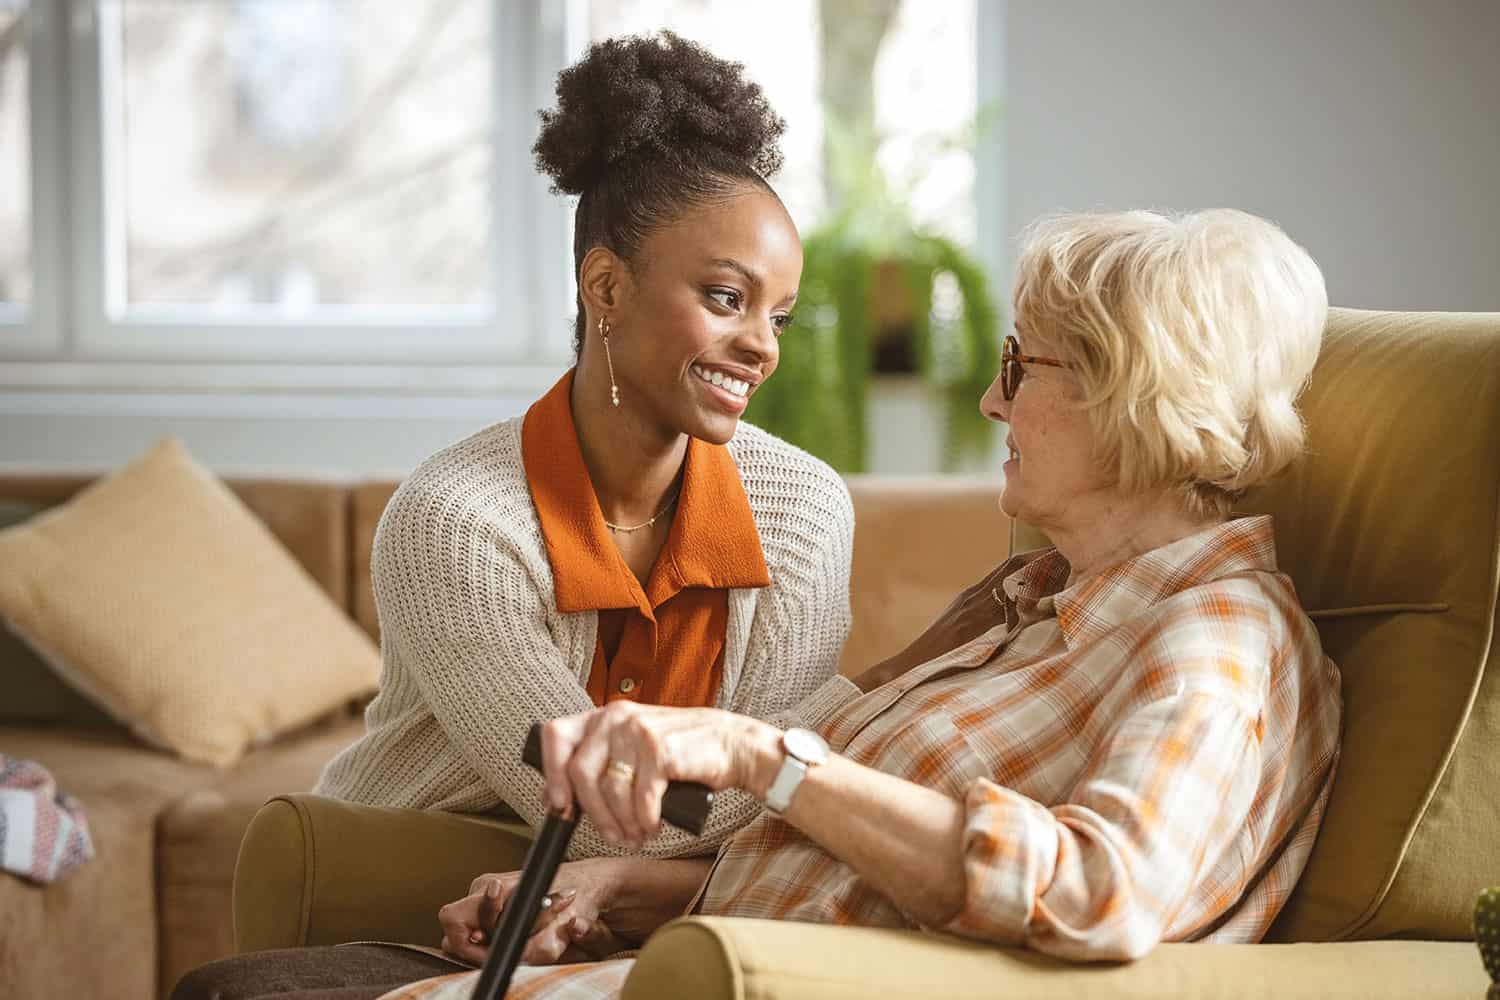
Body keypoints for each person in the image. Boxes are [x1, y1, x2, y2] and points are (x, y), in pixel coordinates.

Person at [375, 206, 1344, 999]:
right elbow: (869, 886)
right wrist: (632, 888)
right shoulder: (1036, 610)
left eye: (1020, 368)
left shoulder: (1215, 640)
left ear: (1131, 395)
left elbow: (1103, 891)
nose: (990, 405)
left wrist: (763, 752)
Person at [310, 30, 856, 868]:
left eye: (776, 316)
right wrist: (883, 693)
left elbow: (766, 819)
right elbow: (606, 821)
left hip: (660, 907)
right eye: (725, 298)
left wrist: (799, 759)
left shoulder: (807, 514)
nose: (763, 347)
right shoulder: (453, 524)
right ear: (606, 287)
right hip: (409, 878)